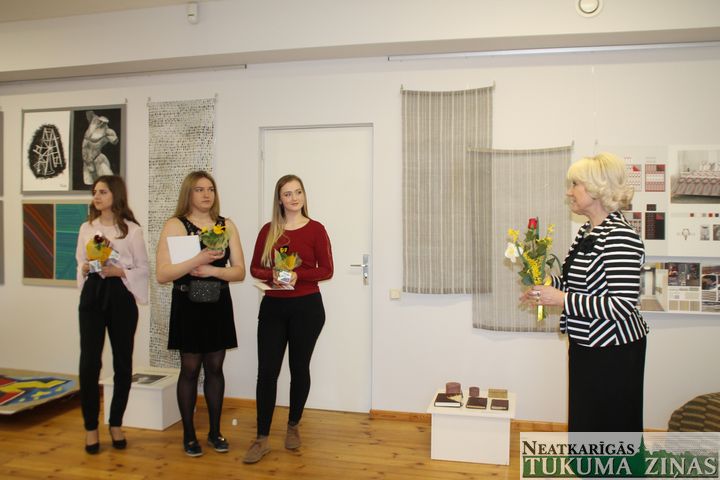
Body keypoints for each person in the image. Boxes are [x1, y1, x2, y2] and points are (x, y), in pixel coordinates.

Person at [522, 152, 649, 432]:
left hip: (614, 351)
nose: (569, 192)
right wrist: (546, 286)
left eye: (575, 184)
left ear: (597, 188)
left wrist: (562, 299)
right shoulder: (586, 233)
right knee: (586, 421)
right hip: (586, 344)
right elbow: (574, 283)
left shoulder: (620, 236)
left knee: (610, 425)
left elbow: (621, 305)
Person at [243, 174, 333, 464]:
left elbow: (326, 270)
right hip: (273, 307)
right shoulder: (268, 230)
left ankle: (293, 425)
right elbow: (255, 268)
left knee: (299, 368)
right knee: (267, 373)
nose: (294, 198)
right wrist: (275, 274)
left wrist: (297, 275)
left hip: (307, 308)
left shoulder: (316, 229)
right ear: (279, 199)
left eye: (298, 192)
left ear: (304, 195)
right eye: (287, 193)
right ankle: (262, 438)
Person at [156, 171, 246, 457]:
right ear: (188, 193)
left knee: (216, 368)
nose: (207, 194)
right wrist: (198, 259)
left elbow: (239, 271)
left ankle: (215, 432)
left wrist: (211, 270)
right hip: (188, 305)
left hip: (218, 303)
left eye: (211, 189)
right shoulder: (175, 224)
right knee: (190, 369)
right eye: (199, 189)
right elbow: (162, 274)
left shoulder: (226, 225)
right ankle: (189, 435)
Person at [75, 175, 149, 454]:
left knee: (123, 363)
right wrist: (86, 267)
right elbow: (80, 262)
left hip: (120, 296)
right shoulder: (86, 228)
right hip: (93, 294)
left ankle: (116, 422)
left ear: (115, 195)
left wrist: (119, 270)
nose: (96, 196)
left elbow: (143, 268)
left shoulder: (132, 230)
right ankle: (90, 427)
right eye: (95, 192)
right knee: (89, 363)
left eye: (103, 192)